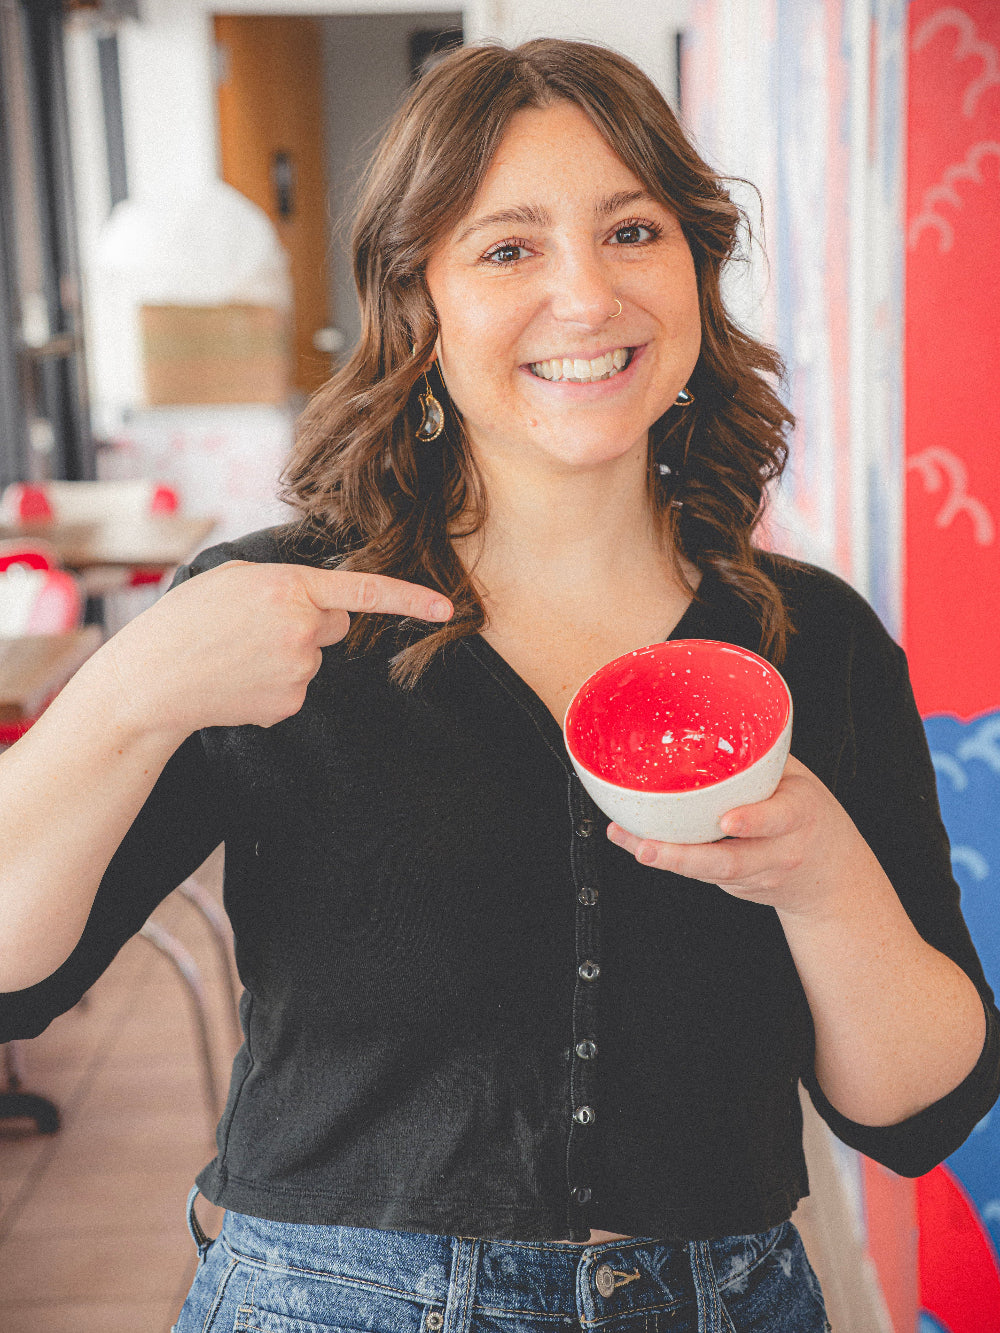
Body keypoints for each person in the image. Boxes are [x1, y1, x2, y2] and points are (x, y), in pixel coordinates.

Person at [1, 38, 997, 1333]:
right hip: (330, 1303)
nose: (586, 297)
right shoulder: (282, 615)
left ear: (696, 268)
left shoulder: (817, 639)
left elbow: (917, 1113)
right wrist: (125, 689)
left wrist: (821, 874)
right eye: (509, 247)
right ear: (419, 301)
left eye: (633, 230)